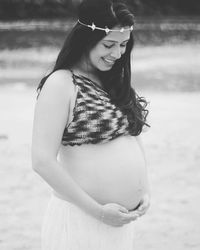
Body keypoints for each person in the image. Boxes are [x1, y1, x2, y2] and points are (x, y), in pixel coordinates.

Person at [31, 0, 150, 249]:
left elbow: (131, 135)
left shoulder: (110, 79)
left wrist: (144, 191)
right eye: (109, 44)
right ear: (86, 39)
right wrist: (98, 212)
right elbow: (42, 161)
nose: (117, 54)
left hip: (118, 223)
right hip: (82, 220)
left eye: (123, 45)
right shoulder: (61, 83)